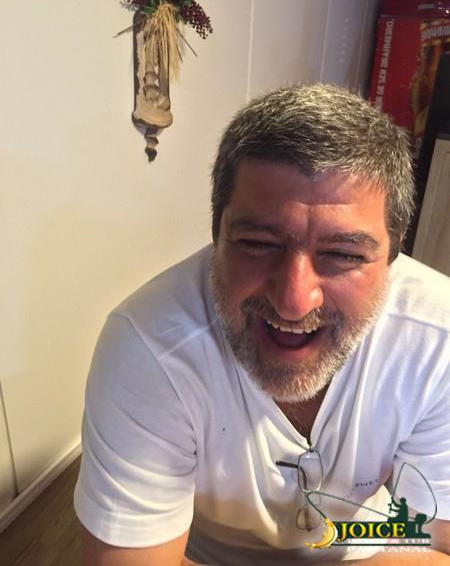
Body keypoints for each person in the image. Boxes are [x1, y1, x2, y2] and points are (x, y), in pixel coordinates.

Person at [74, 84, 450, 565]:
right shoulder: (148, 345)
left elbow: (439, 542)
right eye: (258, 244)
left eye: (342, 254)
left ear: (393, 253)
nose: (293, 301)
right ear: (217, 233)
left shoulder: (436, 338)